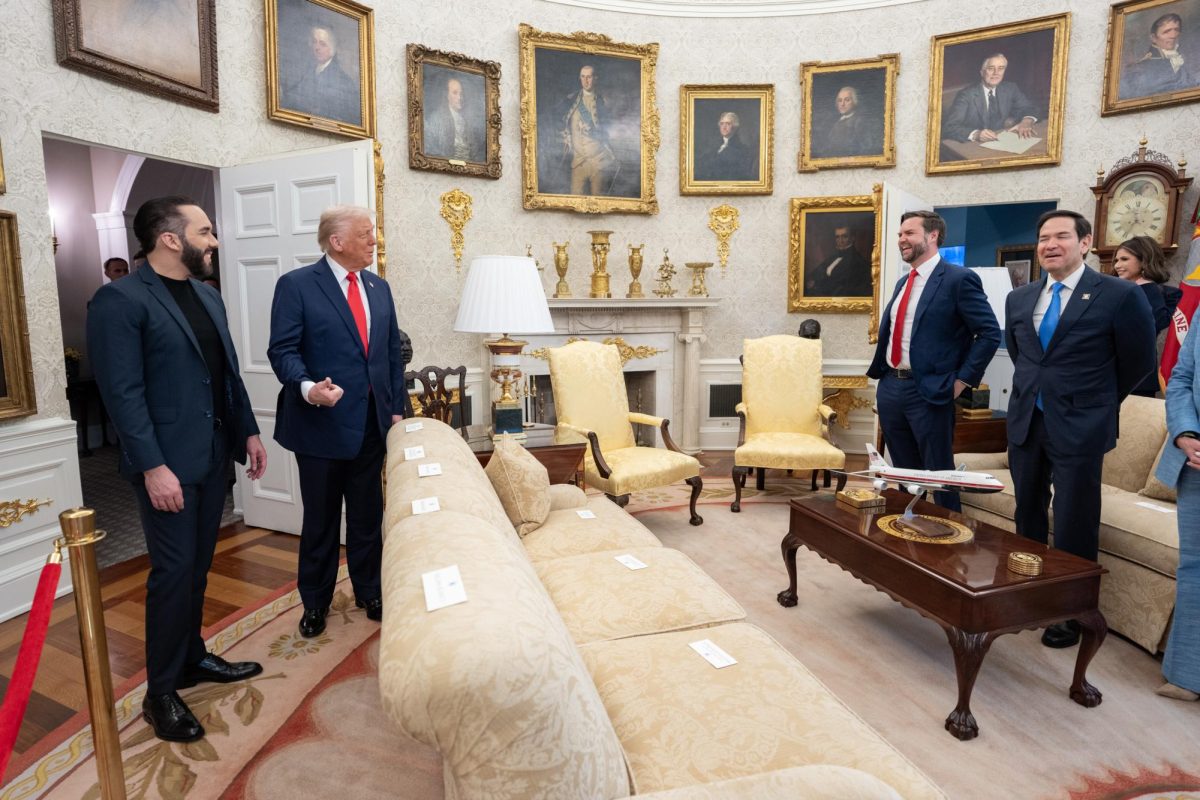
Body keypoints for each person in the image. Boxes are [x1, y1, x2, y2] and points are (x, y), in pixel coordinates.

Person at [87, 196, 267, 743]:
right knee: (172, 573)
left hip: (214, 454)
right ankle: (160, 692)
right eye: (205, 231)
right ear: (170, 238)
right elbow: (122, 394)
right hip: (166, 464)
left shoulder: (207, 296)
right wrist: (152, 467)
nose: (214, 241)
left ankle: (191, 659)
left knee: (198, 567)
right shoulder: (118, 300)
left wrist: (249, 431)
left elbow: (226, 375)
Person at [1005, 210, 1156, 648]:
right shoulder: (1019, 298)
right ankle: (1028, 594)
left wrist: (1096, 402)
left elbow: (1139, 362)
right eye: (1043, 238)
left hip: (1082, 425)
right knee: (1027, 511)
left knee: (1075, 518)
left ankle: (1070, 612)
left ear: (1086, 243)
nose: (1050, 245)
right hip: (1027, 419)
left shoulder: (1119, 295)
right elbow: (1024, 356)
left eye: (1061, 236)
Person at [267, 205, 413, 640]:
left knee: (368, 516)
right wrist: (307, 387)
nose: (374, 241)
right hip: (320, 426)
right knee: (321, 521)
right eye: (365, 233)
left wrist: (396, 411)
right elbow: (282, 350)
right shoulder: (296, 285)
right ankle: (315, 602)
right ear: (337, 241)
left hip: (371, 425)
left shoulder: (378, 287)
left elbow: (390, 355)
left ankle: (371, 592)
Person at [867, 210, 1000, 511]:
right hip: (891, 388)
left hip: (930, 391)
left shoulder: (959, 279)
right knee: (904, 473)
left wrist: (962, 382)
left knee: (939, 475)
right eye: (900, 234)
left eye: (909, 233)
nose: (901, 239)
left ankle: (949, 533)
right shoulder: (903, 283)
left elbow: (989, 333)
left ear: (933, 235)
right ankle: (906, 527)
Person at [1155, 308, 1200, 702]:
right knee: (1195, 566)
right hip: (1194, 459)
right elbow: (1182, 376)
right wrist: (1185, 431)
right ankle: (1187, 675)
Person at [1113, 235, 1183, 396]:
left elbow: (1155, 322)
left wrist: (1146, 284)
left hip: (1138, 380)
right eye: (1116, 260)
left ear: (1144, 261)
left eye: (1124, 259)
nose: (1117, 265)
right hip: (1103, 377)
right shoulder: (1112, 291)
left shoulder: (1168, 294)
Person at [942, 54, 1038, 144]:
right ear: (982, 72)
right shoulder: (966, 95)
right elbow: (949, 127)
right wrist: (976, 134)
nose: (996, 73)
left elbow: (1030, 108)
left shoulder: (1010, 88)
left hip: (1001, 141)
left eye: (1001, 68)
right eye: (991, 68)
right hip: (973, 145)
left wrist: (1027, 121)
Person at [284, 25, 360, 124]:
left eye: (323, 44)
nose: (317, 47)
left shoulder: (343, 80)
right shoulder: (310, 71)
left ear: (332, 49)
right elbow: (296, 93)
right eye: (314, 42)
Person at [559, 64, 615, 195]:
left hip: (598, 162)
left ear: (595, 78)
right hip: (577, 163)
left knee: (598, 202)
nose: (585, 81)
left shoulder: (603, 102)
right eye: (583, 77)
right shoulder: (570, 100)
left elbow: (608, 131)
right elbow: (559, 121)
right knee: (574, 202)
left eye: (589, 77)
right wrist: (565, 136)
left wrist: (594, 132)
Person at [1121, 13, 1197, 99]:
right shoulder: (1139, 69)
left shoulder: (1180, 60)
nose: (1173, 35)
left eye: (1176, 30)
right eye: (1166, 32)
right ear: (1154, 38)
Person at [424, 75, 484, 163]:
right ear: (447, 95)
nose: (460, 98)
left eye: (461, 93)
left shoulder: (465, 120)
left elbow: (473, 150)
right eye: (455, 93)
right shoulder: (436, 119)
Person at [813, 86, 882, 158]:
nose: (842, 104)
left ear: (855, 102)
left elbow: (864, 149)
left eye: (847, 100)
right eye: (840, 100)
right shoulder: (836, 121)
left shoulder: (860, 122)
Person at [805, 225, 871, 297]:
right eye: (837, 237)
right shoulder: (832, 257)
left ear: (852, 238)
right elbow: (816, 273)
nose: (840, 241)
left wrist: (816, 286)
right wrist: (811, 280)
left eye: (844, 237)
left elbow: (840, 288)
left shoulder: (857, 261)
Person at [695, 111, 755, 181]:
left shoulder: (743, 150)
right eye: (722, 124)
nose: (724, 127)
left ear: (735, 127)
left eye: (728, 124)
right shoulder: (714, 147)